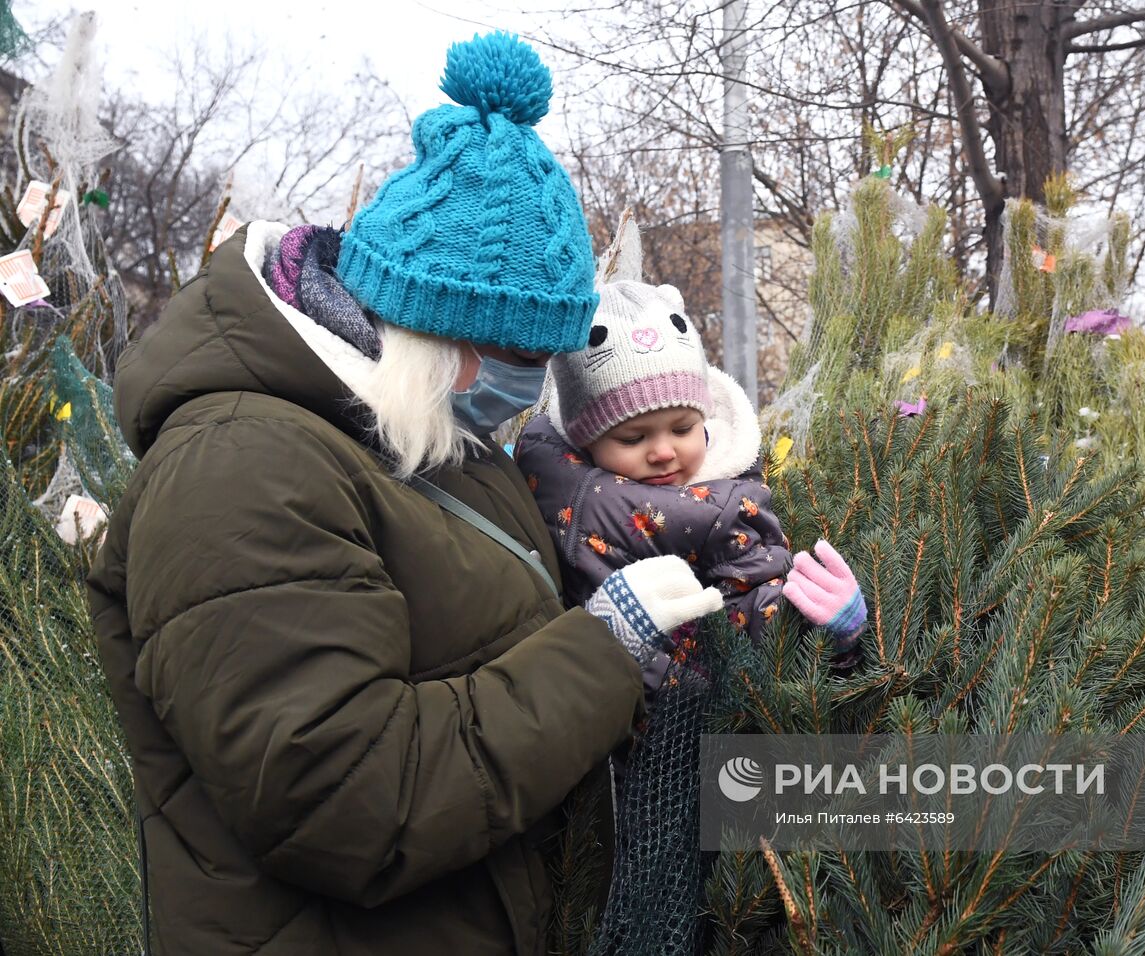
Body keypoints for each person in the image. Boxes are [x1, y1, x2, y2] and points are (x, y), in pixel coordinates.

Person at [85, 33, 717, 956]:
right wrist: (601, 652)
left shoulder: (424, 442)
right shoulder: (239, 468)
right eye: (515, 359)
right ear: (437, 333)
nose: (524, 389)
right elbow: (342, 798)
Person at [514, 213, 867, 697]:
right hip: (582, 704)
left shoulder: (727, 503)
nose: (663, 452)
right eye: (632, 439)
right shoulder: (545, 478)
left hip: (683, 719)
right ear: (583, 439)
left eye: (683, 428)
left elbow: (753, 606)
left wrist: (823, 632)